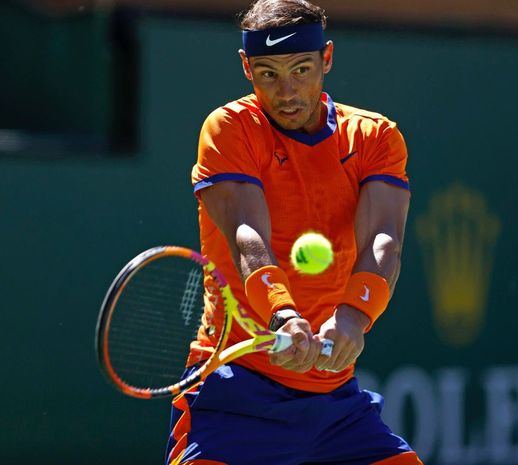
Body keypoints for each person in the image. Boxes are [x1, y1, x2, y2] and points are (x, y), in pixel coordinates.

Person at [166, 0, 422, 464]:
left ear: (326, 58)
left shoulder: (374, 137)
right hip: (232, 394)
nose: (286, 92)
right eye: (268, 74)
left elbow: (385, 239)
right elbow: (247, 235)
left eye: (301, 69)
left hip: (337, 407)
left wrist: (354, 315)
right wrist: (283, 314)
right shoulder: (229, 129)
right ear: (246, 67)